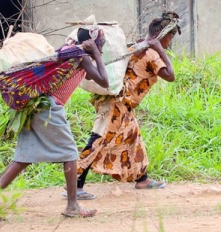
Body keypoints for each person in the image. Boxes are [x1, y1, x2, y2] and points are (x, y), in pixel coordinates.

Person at [0, 26, 109, 218]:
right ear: (93, 43)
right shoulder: (81, 56)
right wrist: (96, 54)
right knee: (69, 153)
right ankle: (72, 206)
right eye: (101, 44)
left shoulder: (67, 51)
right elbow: (105, 81)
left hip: (36, 105)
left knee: (23, 157)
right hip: (48, 108)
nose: (102, 48)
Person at [74, 12, 180, 200]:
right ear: (161, 36)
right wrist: (160, 50)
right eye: (170, 37)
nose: (170, 42)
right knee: (97, 140)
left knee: (133, 137)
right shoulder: (152, 53)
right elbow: (170, 76)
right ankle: (75, 185)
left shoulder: (135, 47)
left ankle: (142, 179)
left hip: (122, 104)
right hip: (117, 105)